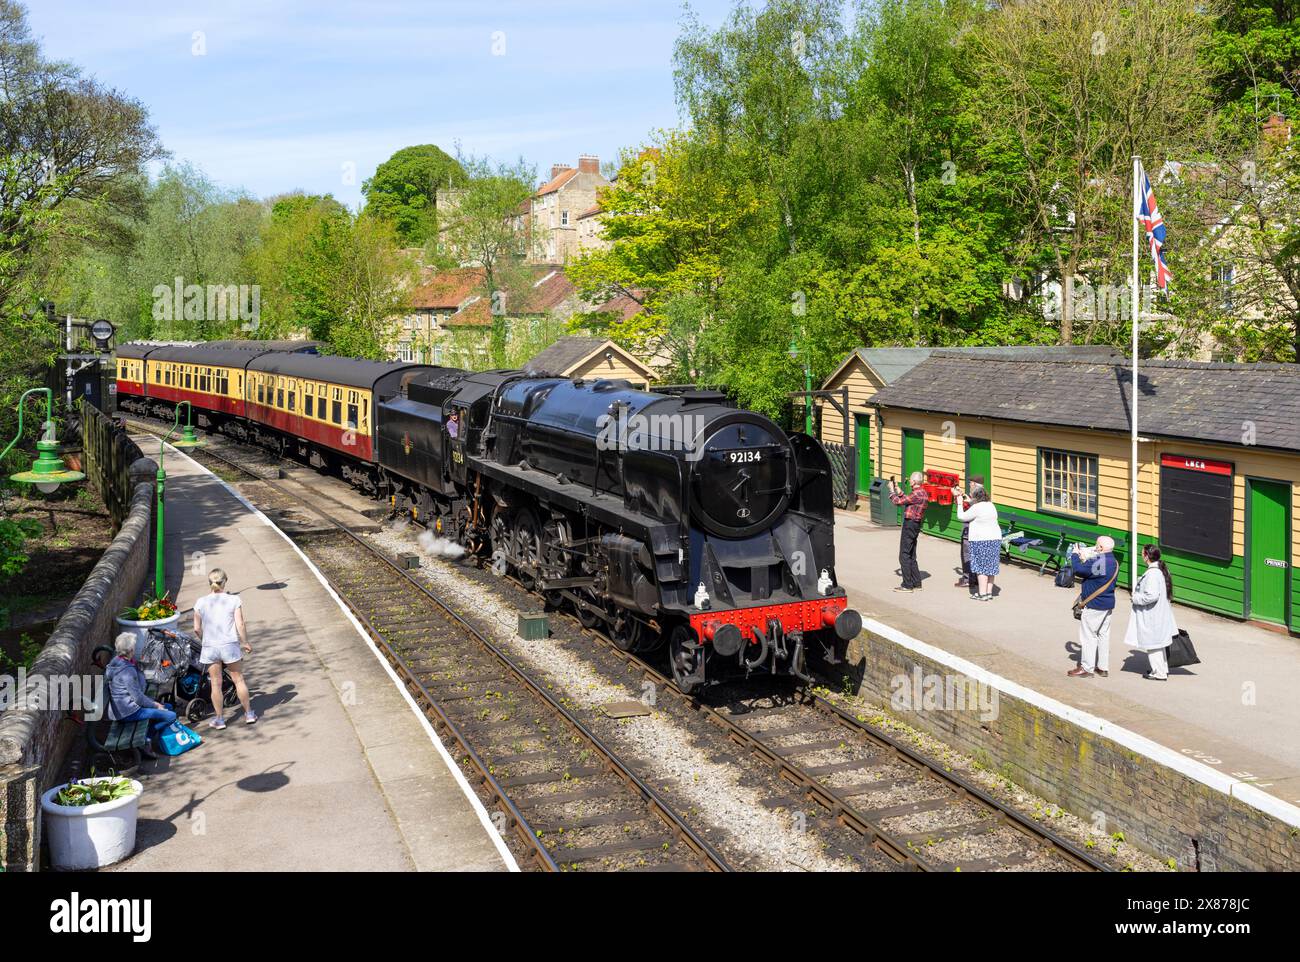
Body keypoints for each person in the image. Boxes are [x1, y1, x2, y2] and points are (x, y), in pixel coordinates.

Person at [193, 568, 256, 728]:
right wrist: (245, 642)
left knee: (215, 683)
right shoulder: (234, 600)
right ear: (225, 581)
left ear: (210, 583)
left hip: (210, 647)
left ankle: (220, 719)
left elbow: (196, 628)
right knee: (238, 680)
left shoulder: (200, 602)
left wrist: (204, 640)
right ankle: (249, 714)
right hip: (230, 646)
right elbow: (240, 624)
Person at [105, 632, 176, 758]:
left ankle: (149, 736)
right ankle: (147, 740)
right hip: (129, 712)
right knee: (171, 715)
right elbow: (138, 697)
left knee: (168, 706)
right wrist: (155, 705)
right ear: (131, 650)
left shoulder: (117, 661)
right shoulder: (127, 670)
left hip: (123, 708)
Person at [1067, 536, 1119, 678]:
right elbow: (1092, 571)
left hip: (1095, 604)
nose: (1095, 547)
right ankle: (1102, 668)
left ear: (1101, 548)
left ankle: (1087, 668)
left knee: (1088, 636)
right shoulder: (1113, 561)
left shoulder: (1100, 561)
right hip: (1107, 604)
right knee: (1103, 636)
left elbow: (1078, 569)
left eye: (1097, 545)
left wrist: (1075, 555)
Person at [1125, 544, 1178, 681]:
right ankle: (1162, 669)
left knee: (1153, 645)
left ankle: (1158, 673)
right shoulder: (1159, 571)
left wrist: (1135, 598)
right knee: (1158, 644)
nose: (1141, 555)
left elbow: (1151, 596)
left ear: (1146, 556)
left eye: (1142, 553)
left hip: (1153, 616)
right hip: (1158, 615)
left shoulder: (1153, 574)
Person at [954, 481, 1000, 601]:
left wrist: (959, 503)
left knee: (981, 568)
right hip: (995, 539)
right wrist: (966, 498)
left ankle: (982, 594)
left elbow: (961, 517)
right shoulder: (990, 505)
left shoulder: (976, 507)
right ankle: (989, 593)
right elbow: (975, 504)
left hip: (981, 540)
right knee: (991, 567)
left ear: (975, 497)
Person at [888, 471, 929, 592]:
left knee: (904, 555)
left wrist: (891, 491)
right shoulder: (922, 493)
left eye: (911, 479)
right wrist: (897, 489)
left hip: (910, 524)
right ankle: (916, 583)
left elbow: (898, 502)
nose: (909, 480)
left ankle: (907, 585)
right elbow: (907, 499)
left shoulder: (916, 494)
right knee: (912, 554)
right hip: (915, 524)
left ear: (915, 481)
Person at [954, 474, 985, 590]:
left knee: (966, 554)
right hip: (978, 530)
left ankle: (968, 579)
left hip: (970, 528)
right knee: (975, 555)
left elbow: (966, 510)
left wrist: (958, 498)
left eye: (970, 483)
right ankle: (976, 579)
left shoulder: (976, 495)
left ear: (974, 484)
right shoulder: (983, 494)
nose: (969, 484)